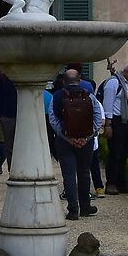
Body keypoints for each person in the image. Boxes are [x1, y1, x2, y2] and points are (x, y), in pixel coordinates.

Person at [46, 65, 104, 220]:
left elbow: (53, 119)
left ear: (64, 80)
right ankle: (85, 207)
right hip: (86, 141)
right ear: (80, 80)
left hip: (65, 141)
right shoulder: (89, 95)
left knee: (69, 174)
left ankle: (73, 209)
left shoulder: (57, 96)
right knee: (84, 172)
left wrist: (67, 137)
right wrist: (87, 136)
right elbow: (98, 118)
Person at [96, 62, 128, 195]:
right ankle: (111, 183)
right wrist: (108, 125)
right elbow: (108, 104)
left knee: (124, 154)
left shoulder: (127, 84)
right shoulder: (113, 83)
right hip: (116, 122)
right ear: (127, 72)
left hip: (126, 123)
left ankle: (121, 182)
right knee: (115, 153)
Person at [0, 71, 18, 175]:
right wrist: (1, 114)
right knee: (10, 146)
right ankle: (13, 171)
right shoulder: (2, 78)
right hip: (7, 115)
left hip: (20, 114)